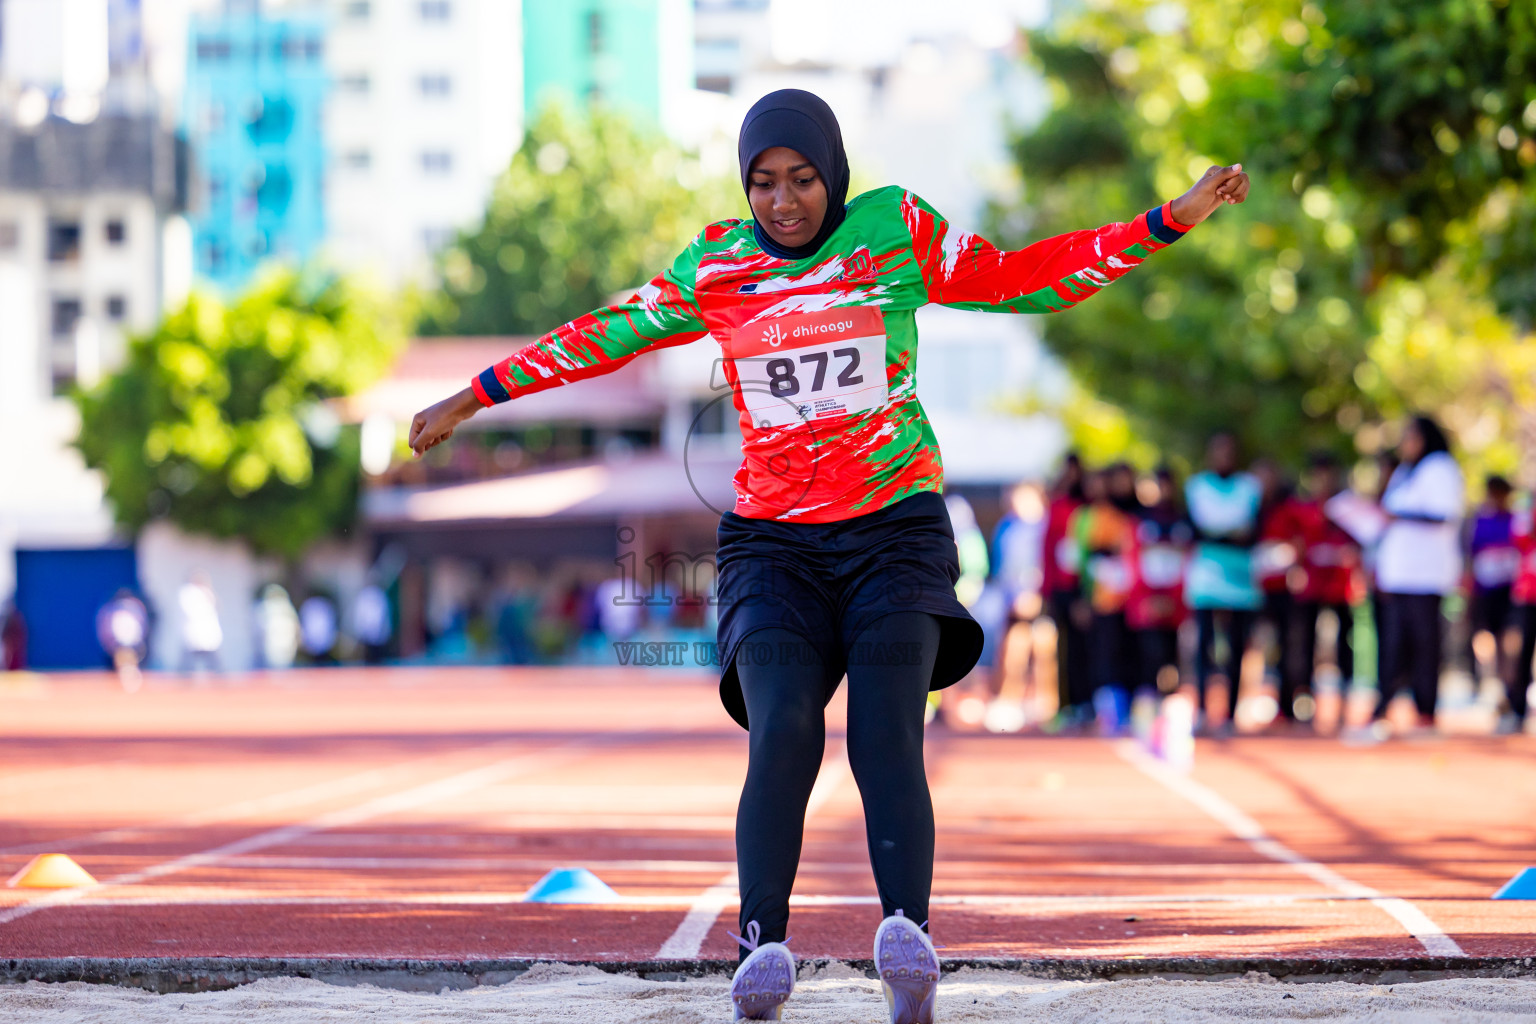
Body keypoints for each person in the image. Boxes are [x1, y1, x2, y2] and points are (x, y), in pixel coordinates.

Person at [405, 88, 1249, 1023]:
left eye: (802, 180)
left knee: (884, 729)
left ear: (834, 174)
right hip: (773, 548)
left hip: (894, 530)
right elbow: (601, 337)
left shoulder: (895, 231)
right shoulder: (716, 267)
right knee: (785, 732)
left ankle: (908, 945)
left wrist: (1170, 219)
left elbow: (1023, 278)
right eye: (763, 183)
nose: (782, 203)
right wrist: (474, 397)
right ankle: (762, 951)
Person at [1366, 415, 1464, 737]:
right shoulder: (1407, 471)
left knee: (1424, 645)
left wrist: (1399, 515)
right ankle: (1385, 709)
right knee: (1394, 644)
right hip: (1398, 575)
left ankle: (1426, 712)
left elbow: (1442, 513)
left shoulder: (1440, 468)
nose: (1404, 443)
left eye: (1409, 436)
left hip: (1425, 575)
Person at [1266, 452, 1362, 726]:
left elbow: (1361, 540)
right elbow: (1288, 542)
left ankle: (1344, 698)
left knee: (1344, 644)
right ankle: (1302, 699)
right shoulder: (1300, 508)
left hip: (1340, 586)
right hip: (1310, 585)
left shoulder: (1347, 508)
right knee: (1303, 643)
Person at [1185, 433, 1264, 733]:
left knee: (1236, 647)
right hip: (1206, 578)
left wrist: (1220, 532)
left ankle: (1229, 714)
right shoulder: (1197, 487)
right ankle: (1203, 710)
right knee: (1204, 647)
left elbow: (1251, 529)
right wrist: (1229, 533)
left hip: (1241, 578)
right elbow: (1200, 528)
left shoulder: (1249, 487)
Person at [1071, 465, 1141, 734]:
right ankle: (1109, 710)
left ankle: (1135, 708)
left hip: (1135, 602)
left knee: (1134, 653)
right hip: (1105, 599)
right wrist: (1084, 597)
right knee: (1106, 653)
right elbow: (1083, 560)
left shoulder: (1137, 516)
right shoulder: (1095, 517)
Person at [1127, 466, 1192, 696]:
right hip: (1146, 603)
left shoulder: (1183, 520)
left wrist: (1175, 599)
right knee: (1146, 655)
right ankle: (1146, 705)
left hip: (1175, 605)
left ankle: (1169, 708)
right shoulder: (1139, 520)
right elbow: (1133, 561)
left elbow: (1188, 562)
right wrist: (1147, 599)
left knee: (1173, 658)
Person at [1041, 454, 1091, 726]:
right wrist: (1047, 590)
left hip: (1085, 587)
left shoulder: (1088, 508)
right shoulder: (1057, 506)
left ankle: (1088, 703)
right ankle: (1067, 705)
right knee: (1064, 649)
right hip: (1061, 589)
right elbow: (1048, 549)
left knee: (1087, 647)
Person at [1463, 475, 1518, 688]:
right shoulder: (1477, 520)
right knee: (1482, 633)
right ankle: (1488, 679)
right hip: (1483, 588)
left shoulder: (1515, 519)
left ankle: (1507, 680)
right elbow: (1469, 553)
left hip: (1508, 589)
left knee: (1508, 635)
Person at [96, 589, 150, 692]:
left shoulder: (133, 609)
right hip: (123, 640)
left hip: (128, 640)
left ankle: (130, 678)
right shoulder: (115, 611)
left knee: (128, 660)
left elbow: (140, 625)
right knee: (124, 660)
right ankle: (126, 678)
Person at [178, 572, 223, 675]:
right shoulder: (188, 592)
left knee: (214, 666)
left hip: (208, 635)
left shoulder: (207, 592)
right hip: (194, 634)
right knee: (187, 666)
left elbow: (217, 607)